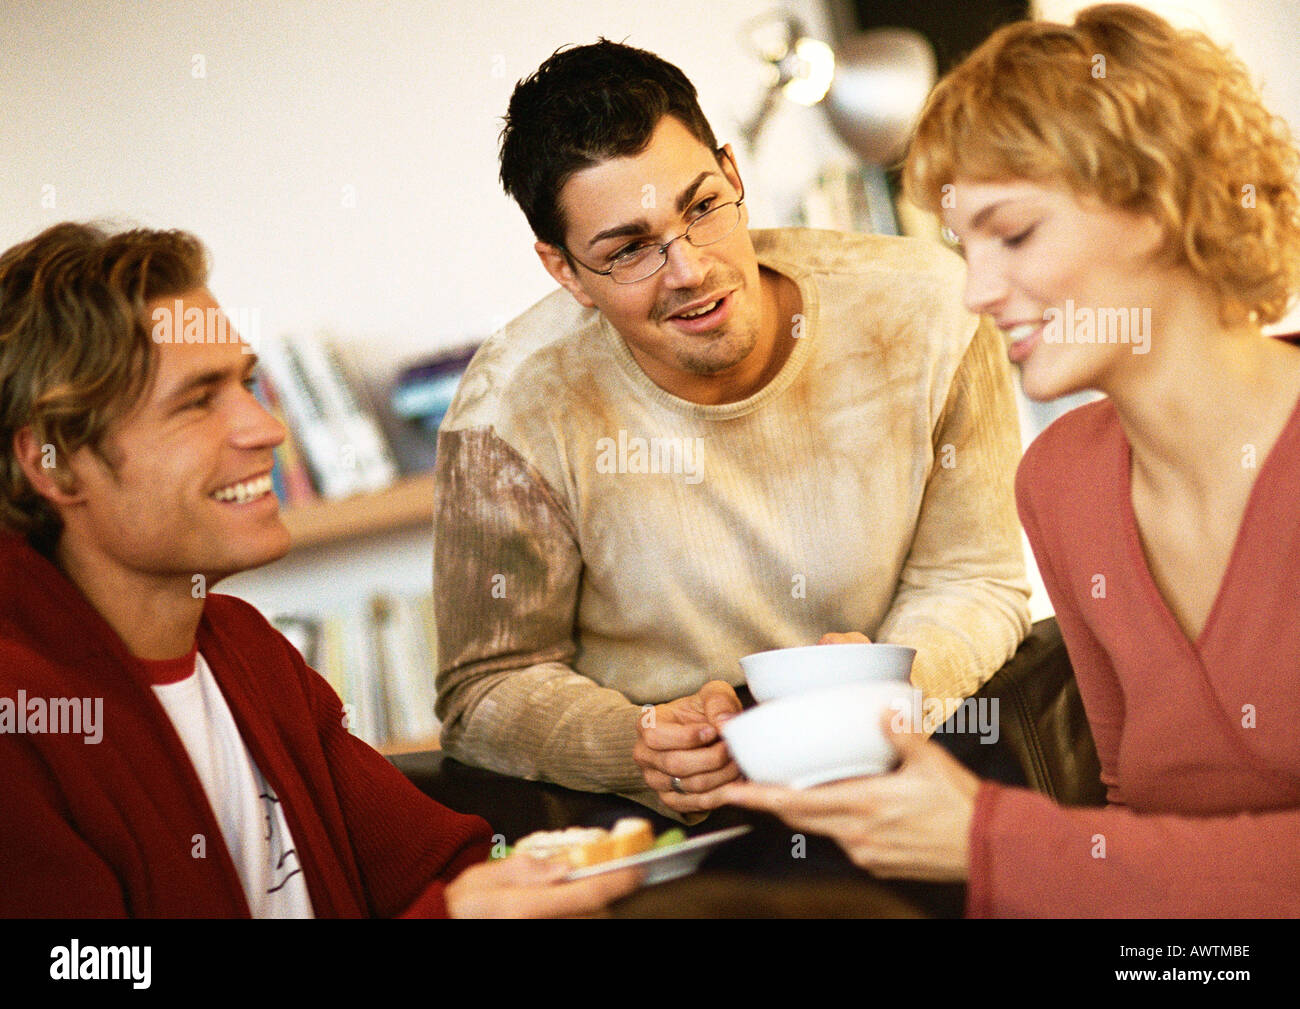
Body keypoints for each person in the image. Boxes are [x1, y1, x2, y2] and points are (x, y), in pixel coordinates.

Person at [721, 3, 1300, 916]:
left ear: (1156, 197)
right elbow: (1133, 827)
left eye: (1016, 234)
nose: (980, 291)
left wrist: (992, 841)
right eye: (965, 246)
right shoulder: (1063, 482)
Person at [433, 39, 1032, 818]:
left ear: (733, 172)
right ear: (563, 270)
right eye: (629, 250)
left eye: (703, 207)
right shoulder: (506, 412)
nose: (690, 270)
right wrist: (637, 739)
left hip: (912, 771)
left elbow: (976, 579)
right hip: (676, 824)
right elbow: (484, 688)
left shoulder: (929, 311)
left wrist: (895, 686)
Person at [0, 222, 638, 918]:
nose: (266, 429)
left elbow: (440, 868)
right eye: (196, 401)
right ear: (54, 463)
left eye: (246, 384)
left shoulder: (245, 646)